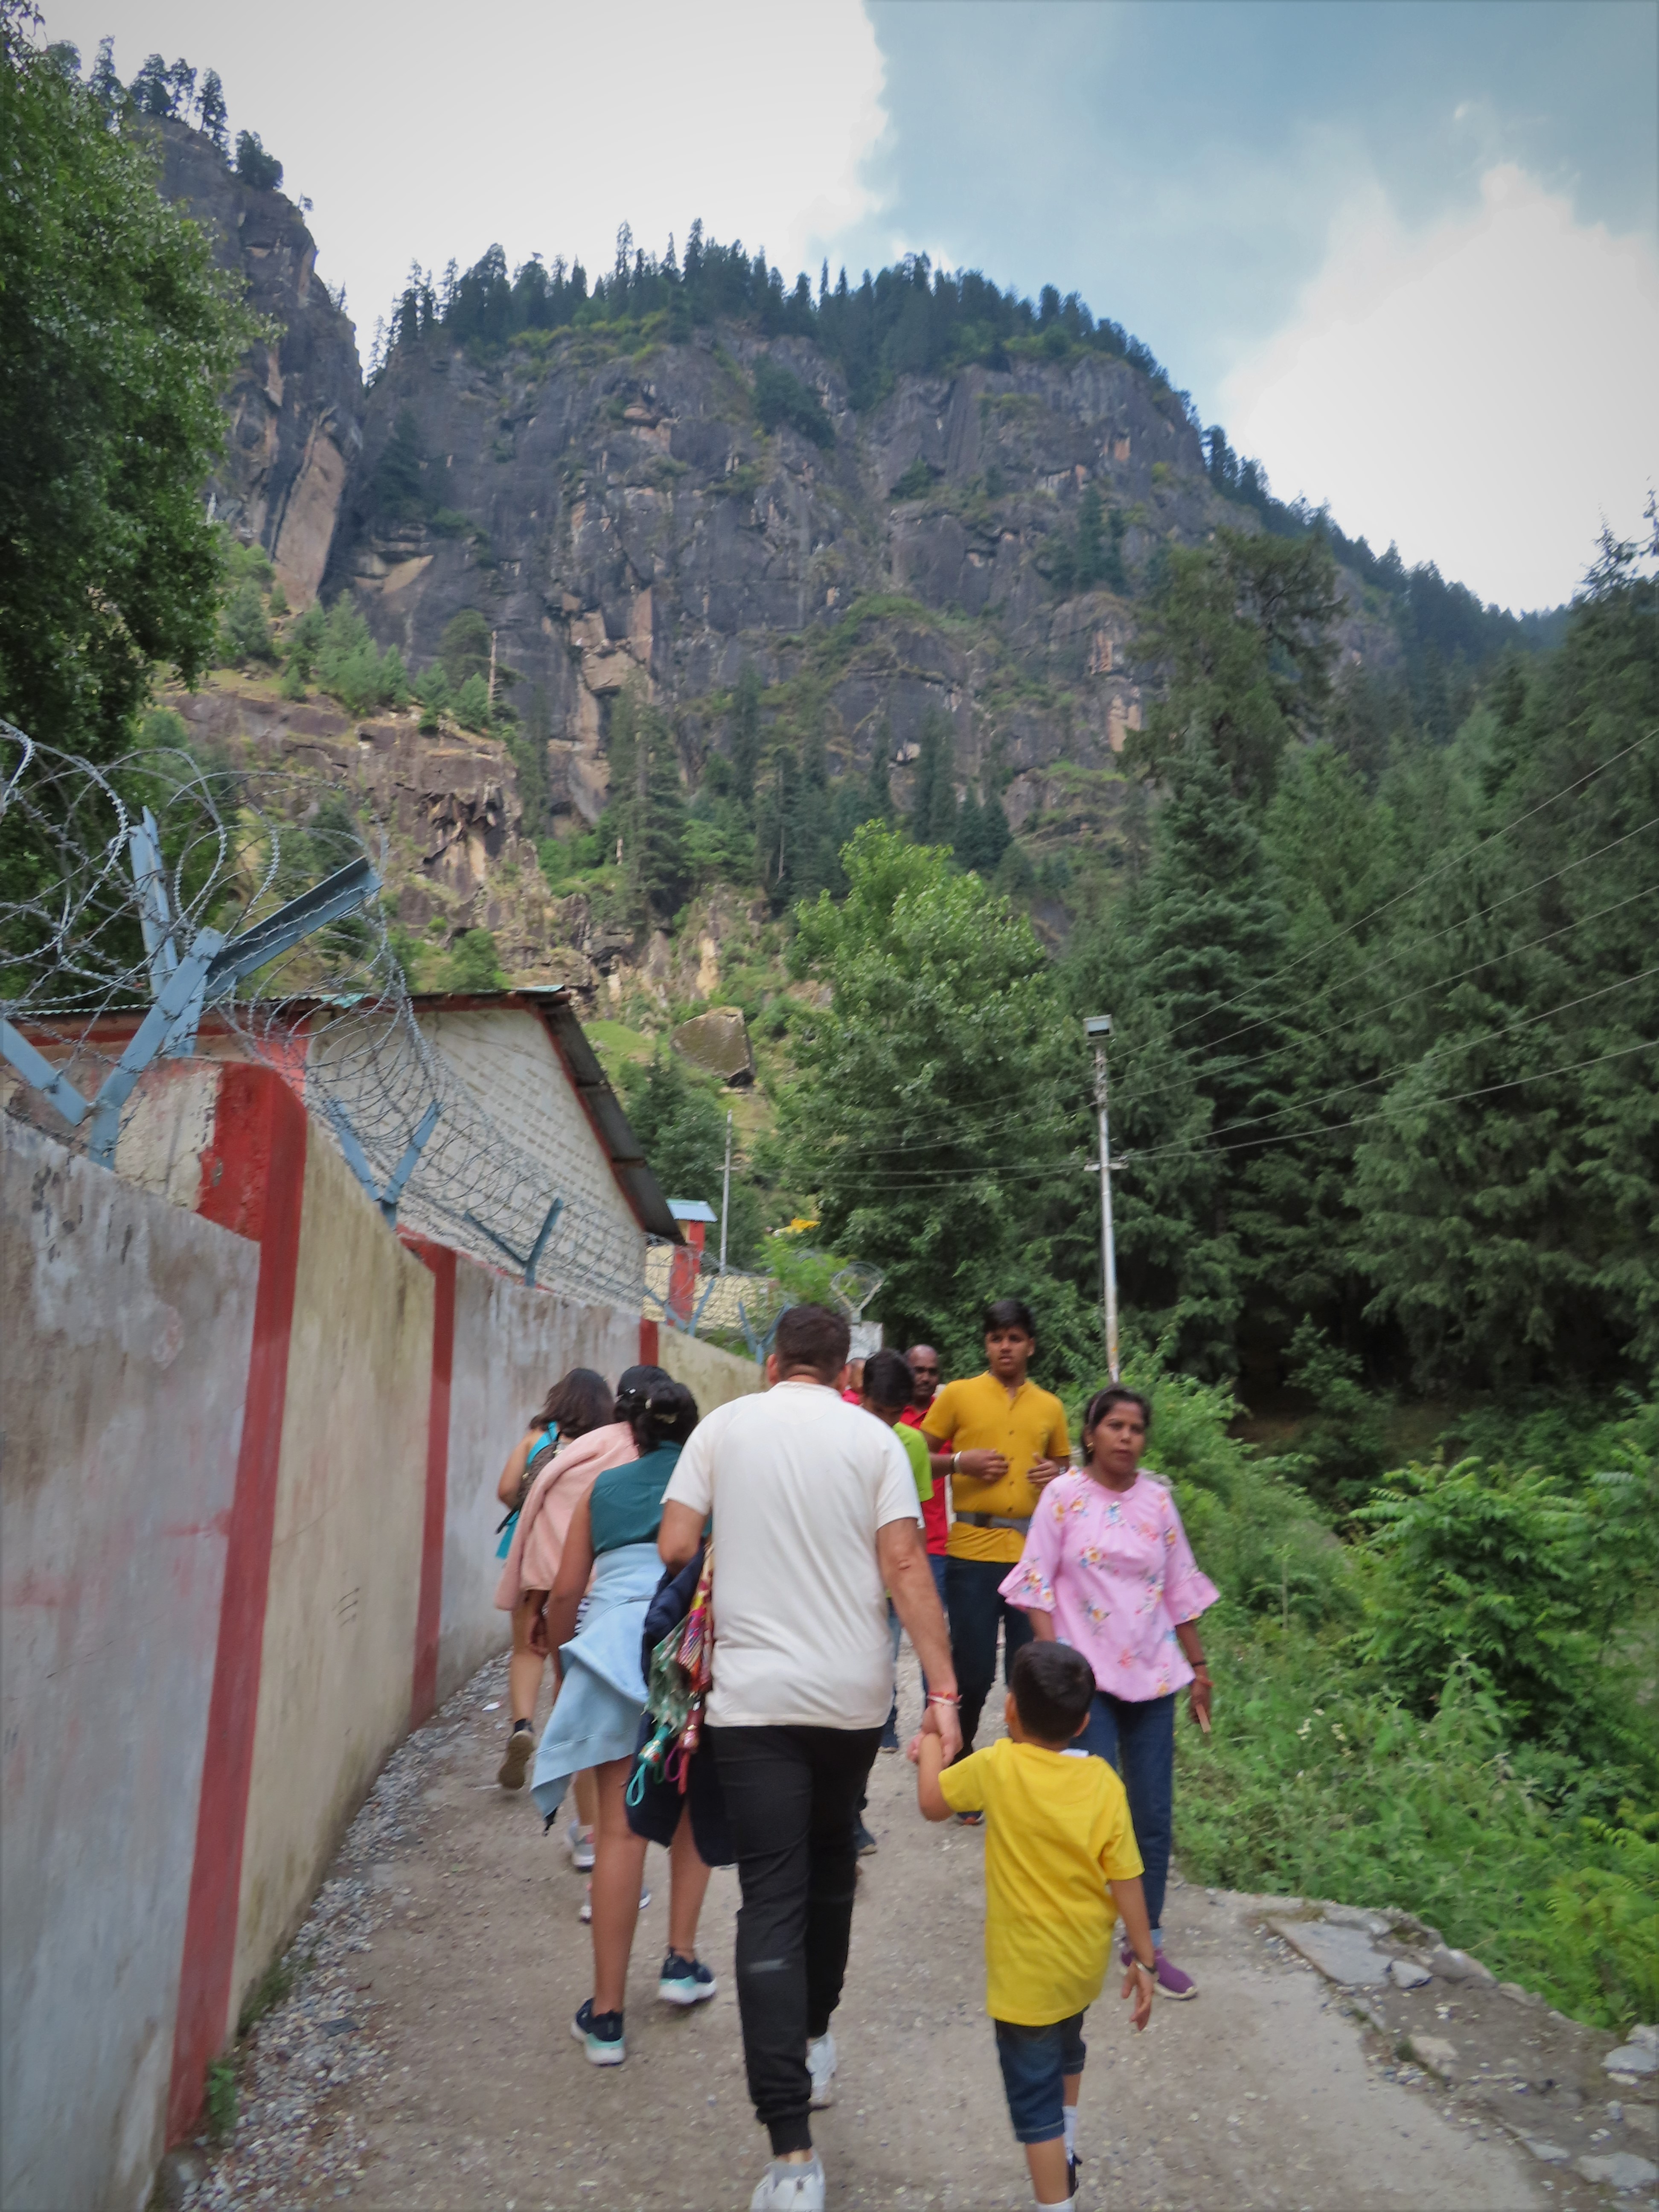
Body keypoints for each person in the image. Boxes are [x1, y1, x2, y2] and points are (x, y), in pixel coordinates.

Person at [658, 1304, 959, 2212]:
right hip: (849, 1701)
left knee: (771, 1898)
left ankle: (792, 2155)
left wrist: (735, 1532)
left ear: (775, 1360)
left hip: (752, 1706)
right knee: (832, 1867)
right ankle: (818, 2038)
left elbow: (675, 1543)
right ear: (845, 1371)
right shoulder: (873, 1444)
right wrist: (943, 1695)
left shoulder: (725, 1427)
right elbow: (906, 1567)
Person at [911, 1641, 1157, 2212]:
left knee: (1034, 2108)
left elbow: (930, 1802)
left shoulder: (1000, 1766)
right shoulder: (1103, 1784)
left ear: (1010, 1711)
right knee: (1068, 2049)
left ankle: (1056, 2198)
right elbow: (1127, 1882)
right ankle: (1067, 2149)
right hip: (1080, 1968)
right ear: (1086, 1721)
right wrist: (1144, 1959)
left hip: (1024, 1983)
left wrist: (928, 1742)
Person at [1001, 1384, 1219, 2001]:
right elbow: (1037, 1584)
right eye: (1115, 1426)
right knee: (1083, 1815)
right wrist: (1052, 1666)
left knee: (1150, 1817)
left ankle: (1144, 1942)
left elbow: (1180, 1587)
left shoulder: (1158, 1502)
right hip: (1083, 1684)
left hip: (1152, 1680)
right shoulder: (1063, 1498)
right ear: (1090, 1434)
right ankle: (1067, 1930)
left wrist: (1199, 1668)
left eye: (1137, 1428)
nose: (1127, 1437)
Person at [531, 1373, 716, 2064]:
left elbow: (567, 1591)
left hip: (611, 1653)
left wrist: (563, 1664)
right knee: (693, 1809)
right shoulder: (711, 1492)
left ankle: (606, 2016)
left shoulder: (601, 1491)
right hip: (686, 1654)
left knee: (618, 1829)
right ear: (691, 1430)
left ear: (631, 1430)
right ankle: (680, 1960)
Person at [921, 1300, 1070, 1770]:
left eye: (1014, 1338)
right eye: (996, 1338)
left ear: (1031, 1345)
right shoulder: (959, 1396)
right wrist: (961, 1463)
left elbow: (1066, 1468)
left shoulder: (1051, 1406)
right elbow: (914, 1457)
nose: (1005, 1347)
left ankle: (1022, 1770)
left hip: (1033, 1557)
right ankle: (960, 1760)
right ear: (986, 1344)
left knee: (1027, 1671)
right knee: (974, 1667)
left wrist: (1056, 1472)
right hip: (971, 1553)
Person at [491, 1367, 617, 1797]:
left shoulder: (537, 1439)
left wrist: (531, 1508)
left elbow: (506, 1489)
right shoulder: (607, 1447)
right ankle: (570, 1746)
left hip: (533, 1559)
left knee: (527, 1650)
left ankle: (523, 1726)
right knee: (575, 1664)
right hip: (586, 1565)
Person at [857, 1348, 938, 1837]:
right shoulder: (837, 1436)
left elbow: (917, 1530)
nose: (885, 1425)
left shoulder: (910, 1446)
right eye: (878, 1413)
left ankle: (854, 1810)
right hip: (838, 1588)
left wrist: (913, 1595)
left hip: (885, 1590)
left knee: (873, 1688)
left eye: (894, 1415)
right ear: (862, 1397)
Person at [899, 1345, 949, 1608]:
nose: (926, 1378)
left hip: (934, 1546)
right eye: (918, 1370)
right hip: (891, 1540)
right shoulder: (886, 1414)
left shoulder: (946, 1416)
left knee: (931, 1629)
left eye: (932, 1372)